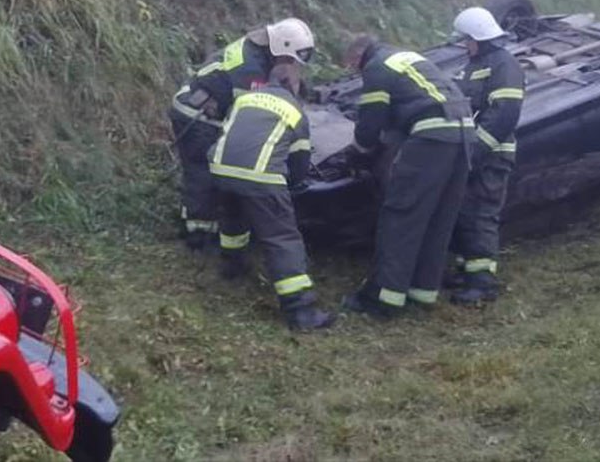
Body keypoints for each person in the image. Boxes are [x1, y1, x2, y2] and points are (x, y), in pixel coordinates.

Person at [209, 19, 335, 332]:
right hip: (260, 177)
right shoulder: (294, 110)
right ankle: (301, 310)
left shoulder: (246, 98)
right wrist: (291, 187)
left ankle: (231, 267)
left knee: (233, 220)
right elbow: (300, 162)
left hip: (221, 168)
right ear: (294, 87)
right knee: (282, 238)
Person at [339, 34, 474, 319]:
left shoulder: (376, 66)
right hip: (463, 133)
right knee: (438, 215)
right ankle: (422, 290)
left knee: (402, 213)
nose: (354, 71)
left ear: (358, 56)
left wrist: (358, 152)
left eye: (351, 65)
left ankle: (384, 297)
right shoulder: (405, 57)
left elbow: (370, 124)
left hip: (432, 135)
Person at [168, 18, 308, 247]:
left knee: (206, 172)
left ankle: (204, 221)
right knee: (202, 172)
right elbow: (248, 116)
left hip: (204, 109)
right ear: (279, 48)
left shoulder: (258, 52)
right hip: (196, 117)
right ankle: (198, 234)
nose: (292, 64)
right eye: (291, 58)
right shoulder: (250, 70)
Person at [446, 7, 525, 304]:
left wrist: (476, 151)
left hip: (491, 157)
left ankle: (483, 283)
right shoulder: (473, 64)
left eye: (467, 39)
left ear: (479, 37)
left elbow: (504, 114)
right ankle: (467, 271)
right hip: (473, 155)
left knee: (481, 216)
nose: (464, 45)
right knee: (465, 214)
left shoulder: (505, 66)